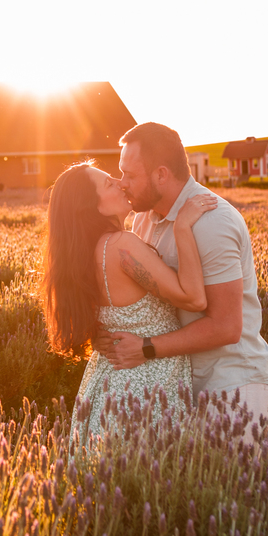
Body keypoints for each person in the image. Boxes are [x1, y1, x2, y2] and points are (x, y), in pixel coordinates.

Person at [93, 123, 268, 439]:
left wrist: (146, 348)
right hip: (175, 387)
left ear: (161, 174)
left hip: (233, 386)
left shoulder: (213, 221)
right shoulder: (142, 218)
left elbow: (227, 326)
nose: (123, 184)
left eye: (130, 175)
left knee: (232, 489)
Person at [40, 161, 218, 446]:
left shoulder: (83, 255)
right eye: (110, 183)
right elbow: (194, 298)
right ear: (92, 206)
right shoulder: (122, 245)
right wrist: (183, 226)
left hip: (107, 387)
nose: (121, 183)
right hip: (146, 388)